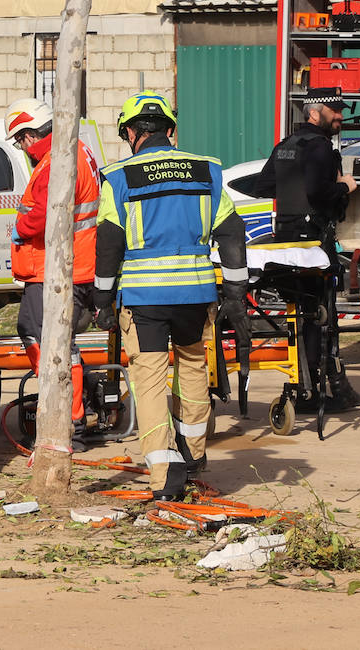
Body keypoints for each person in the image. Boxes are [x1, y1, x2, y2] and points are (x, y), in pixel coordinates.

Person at [93, 93, 247, 499]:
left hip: (145, 299)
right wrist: (234, 290)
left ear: (130, 133)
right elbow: (231, 231)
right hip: (195, 295)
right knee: (194, 369)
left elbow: (109, 241)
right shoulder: (206, 170)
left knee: (148, 382)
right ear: (170, 129)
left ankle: (165, 476)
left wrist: (102, 299)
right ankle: (193, 459)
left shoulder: (118, 176)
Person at [250, 86, 360, 409]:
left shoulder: (287, 145)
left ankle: (305, 386)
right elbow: (318, 192)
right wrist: (344, 185)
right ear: (316, 113)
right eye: (335, 110)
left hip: (285, 240)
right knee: (319, 316)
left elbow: (263, 186)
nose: (341, 115)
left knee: (298, 315)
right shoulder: (319, 148)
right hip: (314, 242)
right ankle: (318, 392)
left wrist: (293, 187)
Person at [2, 97, 99, 437]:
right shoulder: (75, 150)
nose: (22, 149)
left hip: (55, 268)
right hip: (73, 265)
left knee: (42, 336)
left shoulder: (55, 160)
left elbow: (43, 215)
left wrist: (21, 225)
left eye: (19, 141)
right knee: (59, 341)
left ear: (29, 135)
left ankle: (66, 415)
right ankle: (74, 411)